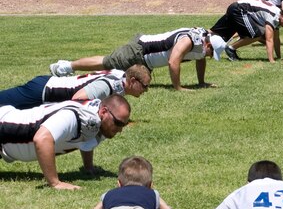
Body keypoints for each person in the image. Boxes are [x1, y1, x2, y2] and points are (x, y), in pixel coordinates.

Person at [0, 94, 131, 190]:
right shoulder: (73, 117)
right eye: (118, 123)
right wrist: (55, 183)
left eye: (123, 125)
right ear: (103, 111)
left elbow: (87, 139)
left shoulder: (97, 121)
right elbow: (42, 139)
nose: (120, 130)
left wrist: (88, 167)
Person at [49, 28, 226, 91]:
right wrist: (178, 87)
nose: (208, 57)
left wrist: (201, 82)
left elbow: (200, 58)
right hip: (139, 51)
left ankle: (74, 72)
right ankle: (65, 67)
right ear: (208, 45)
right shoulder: (189, 40)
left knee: (115, 78)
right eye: (211, 54)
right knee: (108, 62)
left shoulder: (202, 41)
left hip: (147, 63)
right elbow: (173, 61)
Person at [0, 65, 151, 110]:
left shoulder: (119, 75)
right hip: (43, 91)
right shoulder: (108, 86)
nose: (146, 90)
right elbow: (77, 99)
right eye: (144, 86)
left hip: (47, 87)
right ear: (132, 81)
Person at [212, 0, 283, 63]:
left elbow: (276, 39)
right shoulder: (273, 16)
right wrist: (271, 60)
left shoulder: (278, 17)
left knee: (216, 32)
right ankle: (231, 48)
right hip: (239, 10)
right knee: (257, 35)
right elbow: (269, 40)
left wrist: (279, 57)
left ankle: (202, 37)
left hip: (235, 7)